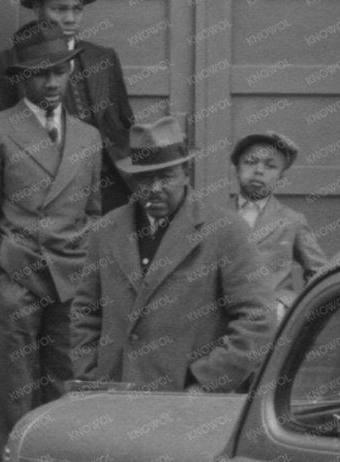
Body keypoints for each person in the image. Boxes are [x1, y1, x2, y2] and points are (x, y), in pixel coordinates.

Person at [0, 20, 104, 462]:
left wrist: (87, 265)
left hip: (71, 279)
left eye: (59, 73)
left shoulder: (88, 137)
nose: (51, 83)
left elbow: (92, 211)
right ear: (22, 77)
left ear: (69, 74)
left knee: (65, 395)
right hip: (15, 278)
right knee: (10, 396)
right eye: (41, 74)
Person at [68, 116, 276, 391]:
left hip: (185, 407)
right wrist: (93, 377)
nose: (154, 189)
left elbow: (258, 319)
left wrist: (204, 384)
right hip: (113, 404)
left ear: (186, 171)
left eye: (165, 177)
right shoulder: (105, 231)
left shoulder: (226, 231)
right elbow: (85, 313)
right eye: (144, 179)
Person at [0, 0, 135, 213]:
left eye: (77, 9)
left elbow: (124, 122)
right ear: (37, 9)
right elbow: (6, 127)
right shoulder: (12, 61)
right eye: (59, 9)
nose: (70, 18)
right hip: (45, 189)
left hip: (106, 187)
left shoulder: (103, 58)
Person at [230, 130, 328, 324]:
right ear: (236, 169)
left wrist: (289, 305)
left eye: (271, 166)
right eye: (250, 162)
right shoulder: (213, 217)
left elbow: (320, 273)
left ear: (281, 177)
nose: (259, 170)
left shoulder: (292, 220)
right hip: (223, 323)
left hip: (271, 324)